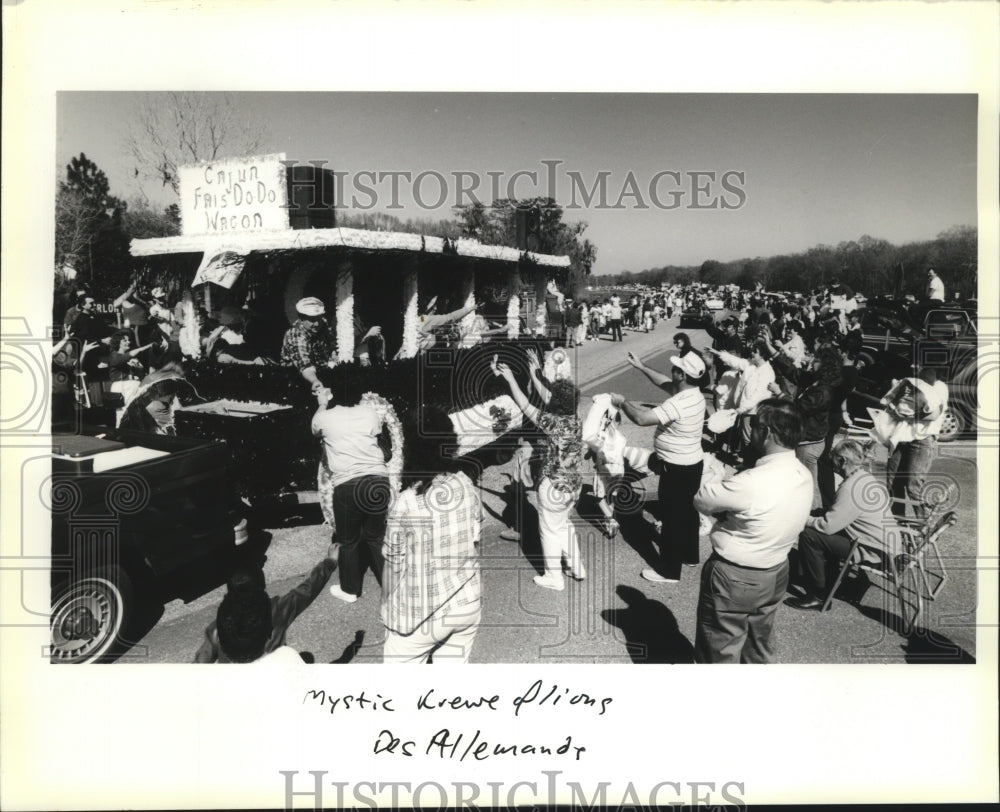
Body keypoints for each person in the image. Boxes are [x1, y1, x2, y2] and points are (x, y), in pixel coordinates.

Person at [692, 398, 813, 663]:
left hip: (736, 576)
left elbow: (703, 498)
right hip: (777, 570)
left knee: (719, 648)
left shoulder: (750, 483)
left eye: (755, 426)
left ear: (767, 433)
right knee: (758, 644)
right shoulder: (804, 474)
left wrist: (715, 475)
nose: (751, 431)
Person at [381, 407, 482, 663]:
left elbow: (393, 567)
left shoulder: (406, 502)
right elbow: (475, 541)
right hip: (466, 602)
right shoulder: (465, 483)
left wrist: (385, 607)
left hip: (419, 616)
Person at [612, 350, 708, 583]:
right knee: (687, 511)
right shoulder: (694, 393)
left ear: (682, 375)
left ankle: (669, 570)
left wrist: (623, 402)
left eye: (676, 369)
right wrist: (641, 366)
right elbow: (666, 383)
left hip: (675, 468)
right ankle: (689, 555)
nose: (671, 371)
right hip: (692, 463)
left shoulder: (680, 403)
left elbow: (642, 419)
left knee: (672, 518)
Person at [494, 355, 585, 591]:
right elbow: (549, 398)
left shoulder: (550, 422)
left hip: (553, 485)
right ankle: (577, 566)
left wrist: (510, 377)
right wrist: (535, 375)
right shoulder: (575, 419)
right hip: (574, 484)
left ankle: (554, 577)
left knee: (550, 531)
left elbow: (524, 402)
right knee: (564, 525)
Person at [785, 439, 903, 611]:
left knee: (810, 536)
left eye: (832, 457)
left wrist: (803, 518)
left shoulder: (851, 488)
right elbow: (838, 518)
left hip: (876, 552)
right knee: (820, 525)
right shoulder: (864, 478)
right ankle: (822, 576)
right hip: (885, 547)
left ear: (842, 461)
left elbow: (827, 526)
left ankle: (818, 594)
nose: (830, 461)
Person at [312, 373, 391, 603]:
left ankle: (350, 589)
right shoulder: (369, 413)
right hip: (378, 479)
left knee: (349, 540)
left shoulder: (324, 417)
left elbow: (314, 429)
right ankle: (391, 587)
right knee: (376, 537)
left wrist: (322, 403)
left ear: (333, 391)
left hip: (347, 484)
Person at [195, 544, 339, 662]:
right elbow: (307, 590)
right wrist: (330, 561)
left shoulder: (217, 626)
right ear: (262, 586)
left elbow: (200, 662)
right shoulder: (276, 609)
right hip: (268, 672)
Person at [768, 345, 841, 510]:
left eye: (816, 360)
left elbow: (798, 408)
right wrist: (771, 349)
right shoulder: (817, 380)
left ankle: (813, 517)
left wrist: (780, 393)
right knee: (804, 480)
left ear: (825, 364)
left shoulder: (823, 390)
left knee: (808, 484)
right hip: (807, 440)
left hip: (809, 444)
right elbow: (794, 373)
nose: (812, 361)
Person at [881, 369, 946, 517]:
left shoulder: (939, 386)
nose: (912, 365)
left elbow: (934, 415)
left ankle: (924, 524)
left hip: (921, 440)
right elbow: (891, 402)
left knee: (913, 487)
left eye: (917, 362)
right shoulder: (910, 382)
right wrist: (894, 406)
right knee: (892, 483)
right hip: (900, 437)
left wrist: (905, 415)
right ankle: (898, 524)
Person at [281, 297, 337, 390]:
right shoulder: (296, 334)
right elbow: (304, 364)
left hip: (322, 373)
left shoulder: (322, 324)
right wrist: (315, 381)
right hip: (299, 381)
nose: (317, 324)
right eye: (312, 320)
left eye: (319, 319)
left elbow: (331, 343)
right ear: (301, 318)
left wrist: (333, 354)